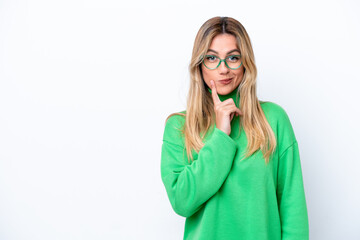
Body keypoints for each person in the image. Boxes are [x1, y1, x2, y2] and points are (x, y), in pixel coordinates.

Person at [160, 16, 309, 240]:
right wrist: (220, 135)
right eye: (212, 58)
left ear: (245, 62)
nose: (224, 69)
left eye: (233, 58)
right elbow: (182, 201)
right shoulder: (179, 126)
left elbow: (292, 207)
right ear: (199, 64)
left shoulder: (273, 119)